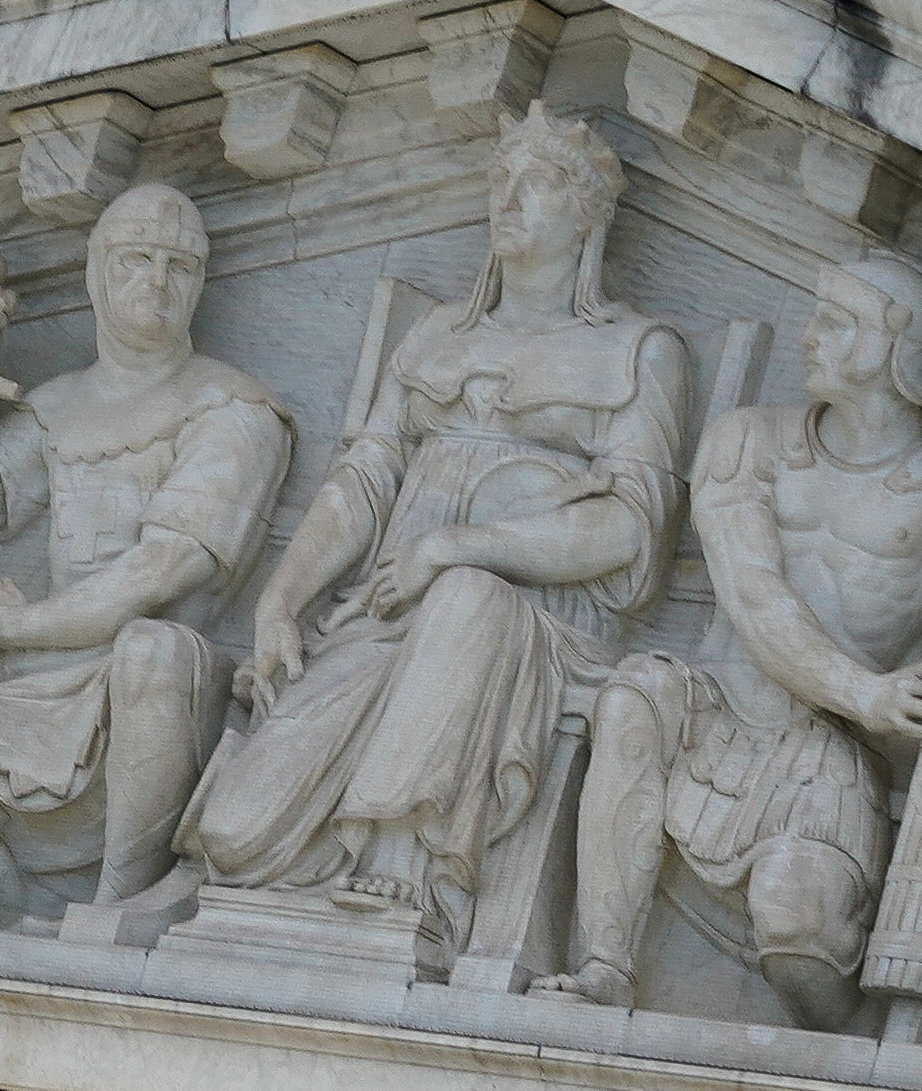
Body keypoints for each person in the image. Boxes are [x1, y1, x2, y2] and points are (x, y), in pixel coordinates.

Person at [180, 108, 698, 956]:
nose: (508, 197)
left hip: (533, 630)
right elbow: (362, 481)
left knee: (467, 600)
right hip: (385, 616)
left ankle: (401, 851)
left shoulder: (639, 351)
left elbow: (625, 533)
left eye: (537, 182)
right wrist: (278, 601)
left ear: (587, 213)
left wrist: (455, 548)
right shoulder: (433, 336)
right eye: (499, 179)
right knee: (237, 834)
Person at [536, 258, 922, 1025]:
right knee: (636, 693)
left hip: (827, 755)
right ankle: (605, 966)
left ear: (894, 345)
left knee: (797, 930)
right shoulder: (744, 444)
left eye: (835, 322)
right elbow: (753, 594)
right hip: (714, 709)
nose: (809, 337)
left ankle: (844, 1046)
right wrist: (868, 690)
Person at [0, 185, 292, 927]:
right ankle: (36, 943)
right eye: (135, 259)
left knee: (150, 647)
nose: (156, 282)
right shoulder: (56, 406)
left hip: (157, 686)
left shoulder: (232, 407)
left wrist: (17, 625)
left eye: (179, 265)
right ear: (95, 273)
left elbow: (162, 572)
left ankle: (117, 913)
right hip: (40, 685)